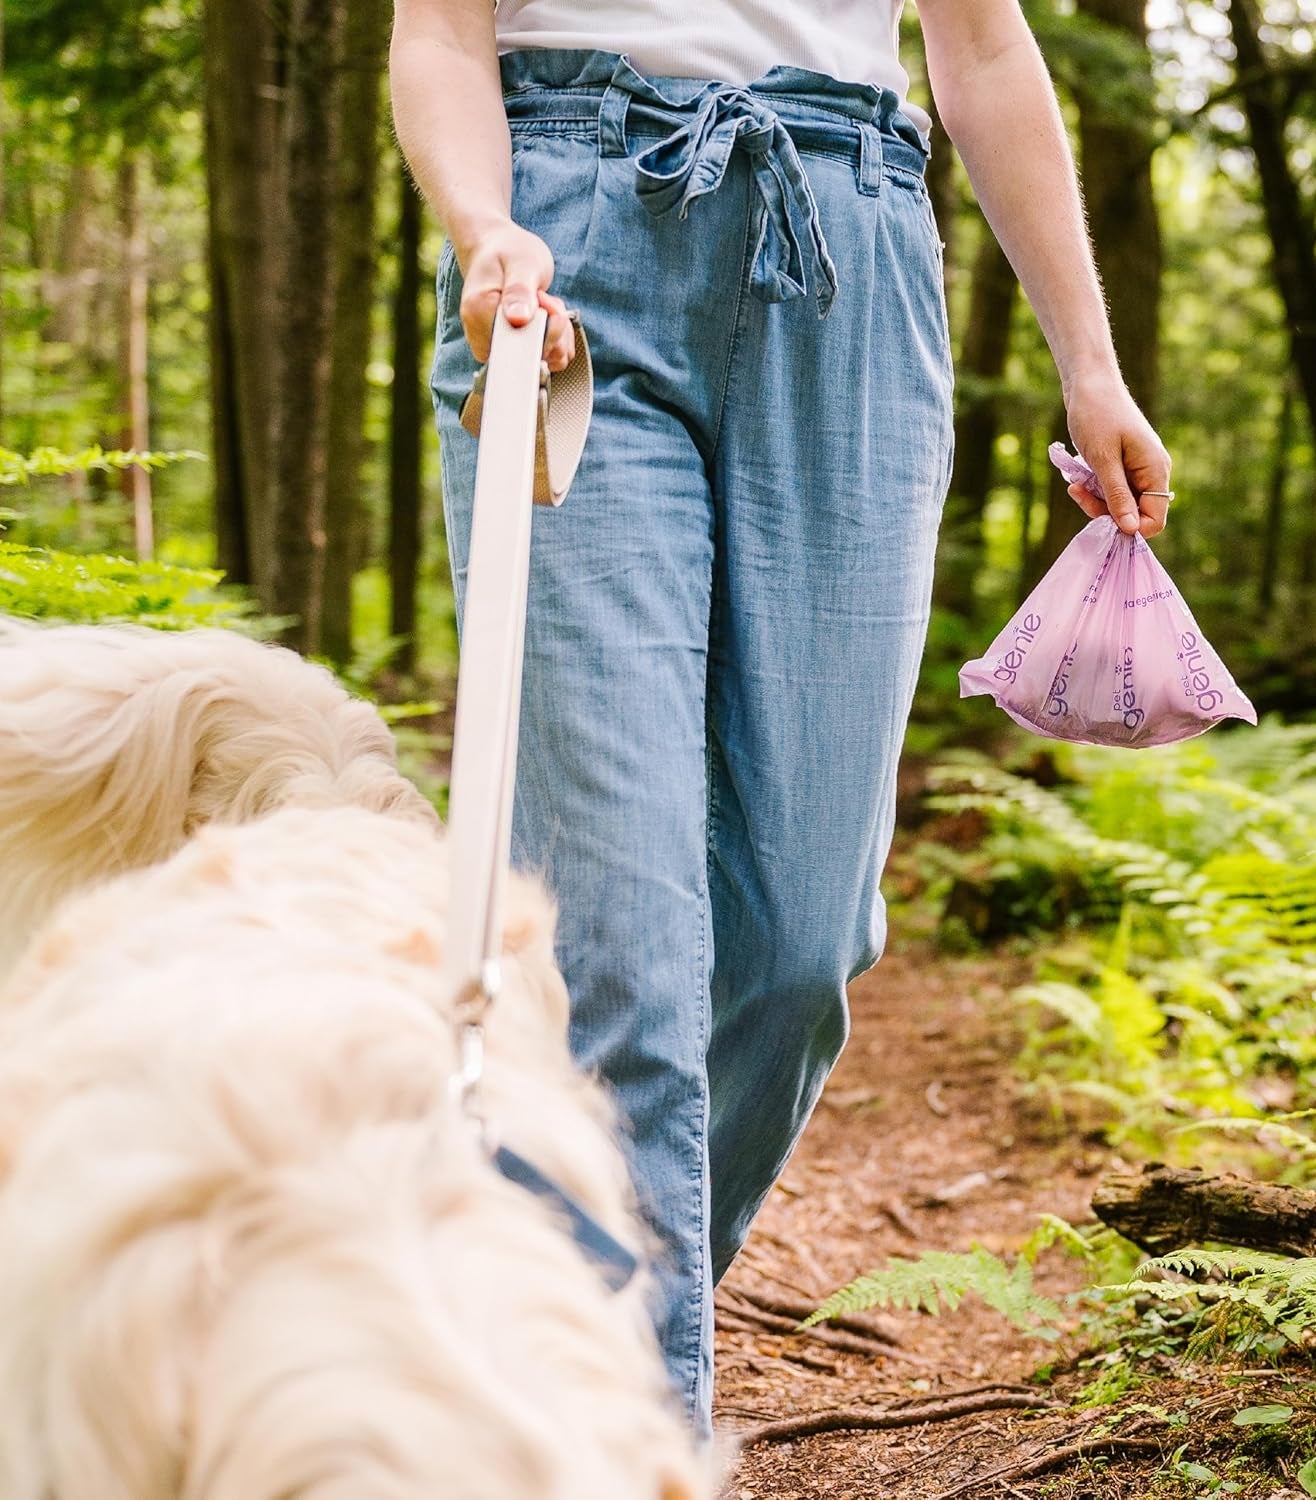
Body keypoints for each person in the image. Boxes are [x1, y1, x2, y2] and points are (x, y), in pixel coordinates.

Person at [390, 0, 1172, 1438]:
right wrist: (480, 220)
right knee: (616, 941)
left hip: (851, 252)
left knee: (806, 941)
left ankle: (560, 1311)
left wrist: (1093, 360)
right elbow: (439, 34)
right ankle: (592, 1424)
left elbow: (984, 52)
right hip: (564, 255)